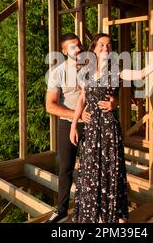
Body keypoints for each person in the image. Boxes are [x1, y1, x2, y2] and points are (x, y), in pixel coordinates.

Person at [69, 33, 153, 223]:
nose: (106, 48)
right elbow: (82, 99)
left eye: (109, 45)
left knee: (111, 170)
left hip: (108, 129)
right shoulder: (85, 72)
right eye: (101, 45)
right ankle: (95, 215)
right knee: (90, 171)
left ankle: (112, 216)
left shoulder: (116, 71)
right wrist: (74, 125)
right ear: (94, 49)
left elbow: (140, 74)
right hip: (90, 129)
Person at [45, 33, 118, 223]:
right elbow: (50, 105)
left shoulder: (92, 65)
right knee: (66, 166)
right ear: (63, 51)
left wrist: (114, 102)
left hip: (95, 126)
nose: (77, 49)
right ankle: (61, 210)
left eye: (78, 45)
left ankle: (97, 209)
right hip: (68, 124)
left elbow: (111, 91)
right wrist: (75, 117)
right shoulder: (58, 73)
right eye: (72, 47)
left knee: (95, 167)